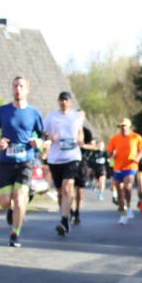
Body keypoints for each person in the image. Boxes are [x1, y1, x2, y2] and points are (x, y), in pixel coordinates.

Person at [0, 76, 44, 248]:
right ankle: (12, 209)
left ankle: (15, 234)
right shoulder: (3, 111)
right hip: (6, 161)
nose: (17, 89)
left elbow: (43, 135)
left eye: (21, 86)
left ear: (27, 90)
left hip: (26, 161)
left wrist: (40, 142)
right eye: (15, 86)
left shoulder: (34, 113)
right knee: (5, 201)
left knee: (20, 198)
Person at [44, 91, 85, 236]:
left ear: (71, 102)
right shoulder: (51, 117)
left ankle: (64, 220)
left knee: (68, 188)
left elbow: (80, 131)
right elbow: (43, 134)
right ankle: (68, 212)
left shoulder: (77, 116)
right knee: (61, 192)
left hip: (72, 156)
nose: (63, 102)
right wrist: (50, 137)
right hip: (55, 158)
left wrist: (80, 139)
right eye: (61, 100)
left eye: (66, 100)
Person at [107, 118, 142, 225]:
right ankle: (123, 212)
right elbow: (109, 152)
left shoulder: (136, 137)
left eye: (124, 126)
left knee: (127, 187)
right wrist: (111, 155)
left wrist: (138, 157)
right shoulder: (115, 138)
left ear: (129, 126)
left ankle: (128, 207)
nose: (123, 128)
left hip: (131, 166)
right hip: (118, 167)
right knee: (119, 190)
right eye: (121, 126)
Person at [72, 124, 94, 225]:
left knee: (78, 189)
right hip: (68, 161)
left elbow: (93, 146)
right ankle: (69, 210)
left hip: (82, 162)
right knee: (67, 188)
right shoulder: (68, 128)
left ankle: (77, 210)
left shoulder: (87, 131)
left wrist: (83, 145)